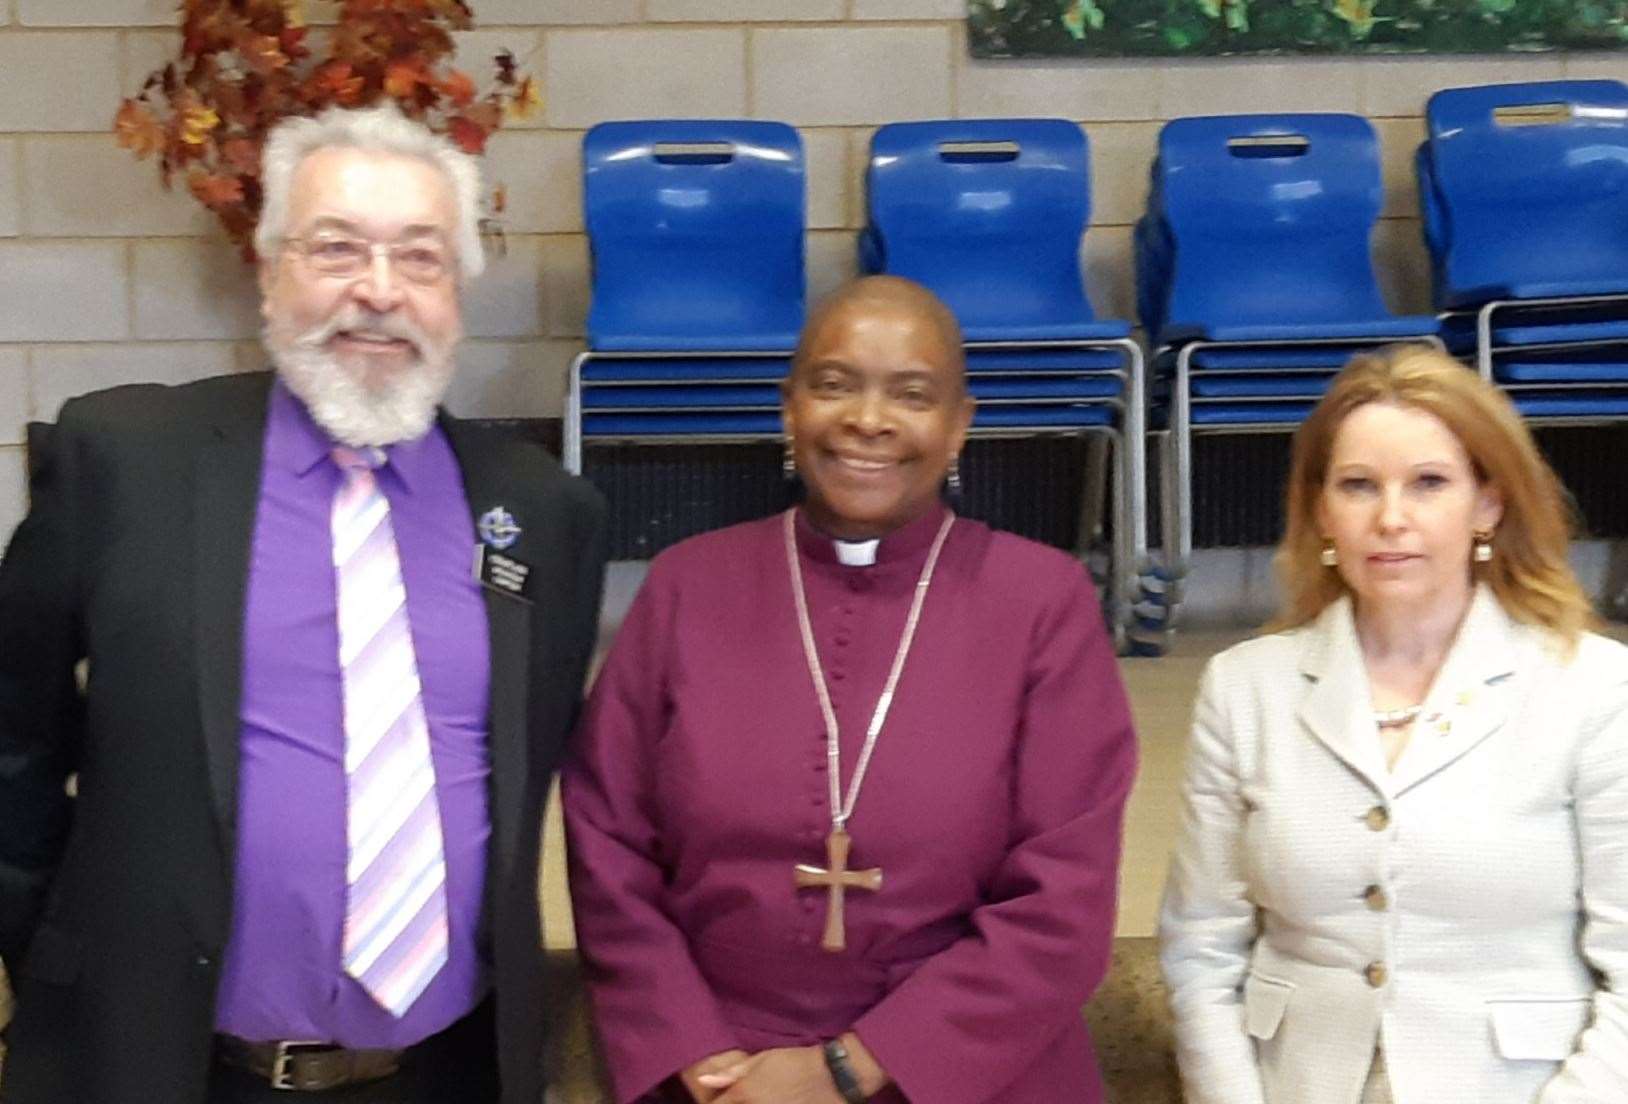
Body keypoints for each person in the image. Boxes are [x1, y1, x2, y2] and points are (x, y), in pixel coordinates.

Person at [0, 104, 607, 1104]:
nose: (378, 292)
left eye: (419, 258)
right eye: (336, 250)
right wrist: (65, 954)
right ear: (271, 270)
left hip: (443, 1072)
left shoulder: (541, 511)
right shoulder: (128, 460)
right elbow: (13, 733)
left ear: (457, 292)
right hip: (168, 1067)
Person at [563, 275, 1138, 1104]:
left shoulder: (1042, 601)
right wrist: (689, 1047)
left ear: (959, 426)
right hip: (720, 1073)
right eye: (834, 384)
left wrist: (850, 1068)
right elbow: (605, 834)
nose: (868, 420)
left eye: (912, 394)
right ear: (788, 408)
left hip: (967, 1067)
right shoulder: (688, 585)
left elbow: (1064, 898)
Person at [1159, 345, 1628, 1103]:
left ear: (1488, 504)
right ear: (1320, 510)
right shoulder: (1244, 688)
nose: (1391, 518)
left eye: (1429, 483)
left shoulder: (1596, 689)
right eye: (1358, 485)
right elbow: (1201, 947)